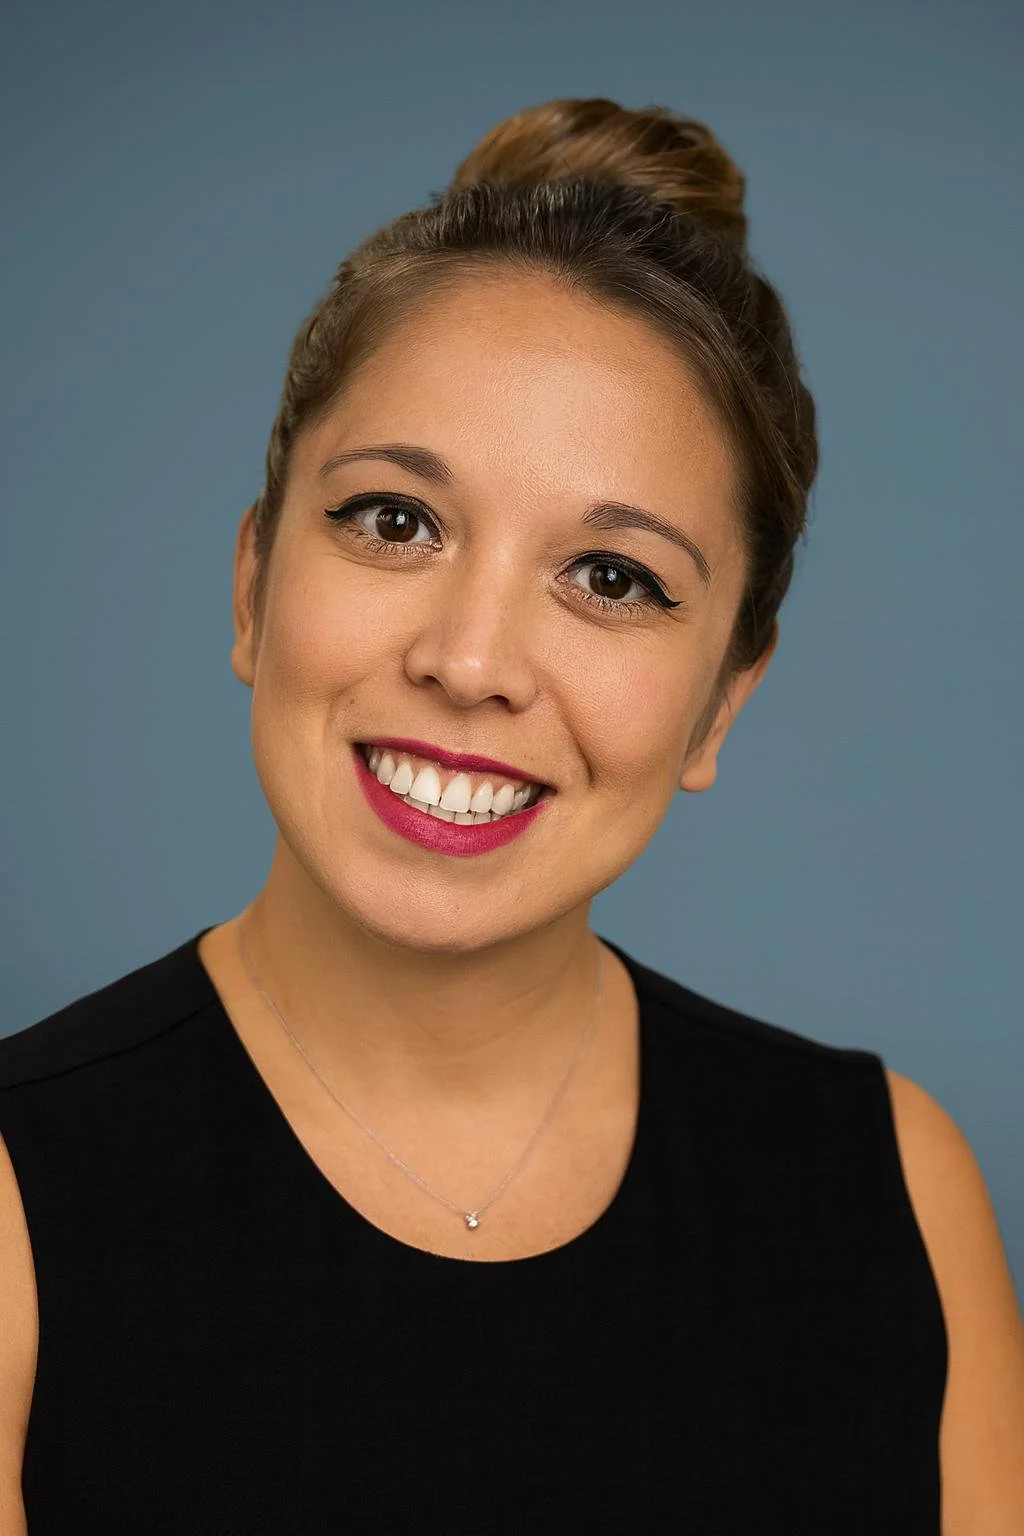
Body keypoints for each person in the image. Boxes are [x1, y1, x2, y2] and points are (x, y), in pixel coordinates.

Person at [1, 96, 1021, 1534]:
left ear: (722, 703)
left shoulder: (894, 1187)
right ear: (252, 585)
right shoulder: (13, 1203)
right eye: (393, 520)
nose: (469, 663)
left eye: (613, 579)